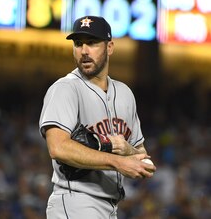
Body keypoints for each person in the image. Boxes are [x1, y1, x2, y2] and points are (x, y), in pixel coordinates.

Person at [39, 16, 156, 218]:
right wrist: (117, 161)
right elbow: (57, 147)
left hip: (111, 207)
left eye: (92, 43)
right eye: (78, 44)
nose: (84, 51)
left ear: (109, 47)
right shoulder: (65, 89)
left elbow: (146, 166)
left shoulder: (125, 94)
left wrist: (125, 149)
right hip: (76, 201)